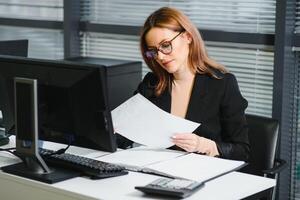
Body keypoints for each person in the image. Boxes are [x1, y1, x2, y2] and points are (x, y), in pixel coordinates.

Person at [119, 7, 250, 161]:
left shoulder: (222, 84)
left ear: (188, 37)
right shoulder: (151, 83)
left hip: (202, 173)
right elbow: (126, 134)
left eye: (166, 45)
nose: (160, 57)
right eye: (153, 51)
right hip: (156, 169)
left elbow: (242, 151)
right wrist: (113, 130)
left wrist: (203, 145)